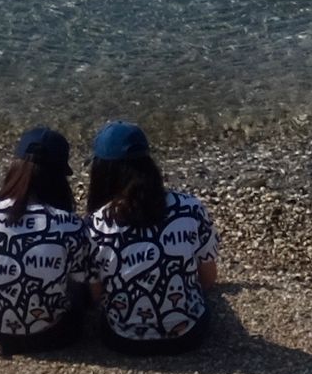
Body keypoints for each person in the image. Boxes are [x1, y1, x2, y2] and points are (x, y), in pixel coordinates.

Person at [80, 118, 221, 354]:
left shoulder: (96, 225)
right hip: (188, 335)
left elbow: (96, 296)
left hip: (123, 339)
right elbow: (207, 280)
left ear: (102, 171)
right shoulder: (190, 208)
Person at [0, 126, 89, 355]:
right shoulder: (69, 224)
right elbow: (80, 280)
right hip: (55, 335)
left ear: (14, 168)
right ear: (58, 178)